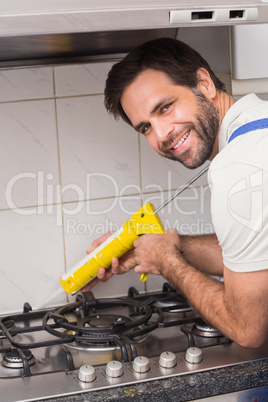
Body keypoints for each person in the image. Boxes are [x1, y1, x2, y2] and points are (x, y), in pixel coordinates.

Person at [84, 37, 268, 348]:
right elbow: (255, 256)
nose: (161, 135)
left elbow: (248, 329)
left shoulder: (238, 169)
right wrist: (158, 247)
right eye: (145, 127)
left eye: (165, 107)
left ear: (204, 83)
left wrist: (167, 261)